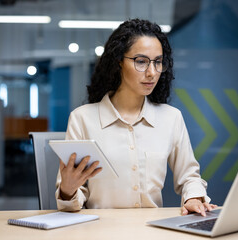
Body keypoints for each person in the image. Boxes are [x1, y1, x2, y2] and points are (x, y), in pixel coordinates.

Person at [55, 18, 216, 216]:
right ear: (119, 62)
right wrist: (68, 190)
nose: (152, 73)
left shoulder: (171, 118)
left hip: (151, 231)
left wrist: (193, 197)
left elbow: (190, 177)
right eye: (141, 61)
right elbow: (70, 202)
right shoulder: (82, 118)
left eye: (158, 62)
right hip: (98, 231)